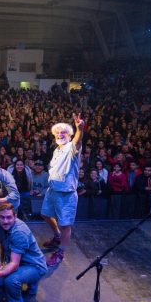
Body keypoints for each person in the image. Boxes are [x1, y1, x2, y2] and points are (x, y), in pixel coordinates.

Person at [0, 202, 47, 302]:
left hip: (34, 266)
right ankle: (30, 282)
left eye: (9, 217)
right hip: (19, 260)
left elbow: (14, 264)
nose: (5, 221)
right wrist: (1, 262)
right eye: (2, 217)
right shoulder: (1, 224)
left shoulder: (19, 233)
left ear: (15, 216)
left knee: (10, 281)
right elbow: (1, 243)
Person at [42, 113, 84, 267]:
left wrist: (80, 129)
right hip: (52, 190)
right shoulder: (57, 150)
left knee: (65, 224)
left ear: (70, 134)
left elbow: (78, 142)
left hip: (66, 194)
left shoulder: (71, 148)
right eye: (58, 133)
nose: (60, 135)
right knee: (46, 215)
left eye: (63, 132)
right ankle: (57, 236)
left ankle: (60, 252)